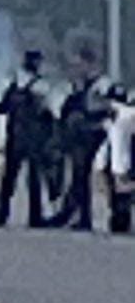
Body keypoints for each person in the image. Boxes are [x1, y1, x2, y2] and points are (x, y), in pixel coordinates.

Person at [47, 44, 110, 231]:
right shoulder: (80, 86)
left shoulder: (102, 85)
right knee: (78, 177)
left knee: (82, 177)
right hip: (80, 136)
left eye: (79, 64)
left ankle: (84, 218)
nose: (76, 68)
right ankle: (76, 215)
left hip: (95, 135)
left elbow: (107, 108)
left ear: (89, 63)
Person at [0, 49, 52, 228]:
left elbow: (1, 108)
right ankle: (34, 217)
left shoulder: (14, 85)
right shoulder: (40, 86)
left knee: (11, 178)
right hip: (31, 139)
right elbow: (47, 114)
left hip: (16, 137)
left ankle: (3, 214)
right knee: (32, 179)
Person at [95, 84, 135, 234]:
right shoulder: (115, 120)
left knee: (121, 195)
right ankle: (120, 220)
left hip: (122, 163)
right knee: (118, 197)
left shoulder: (123, 117)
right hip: (117, 163)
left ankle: (121, 220)